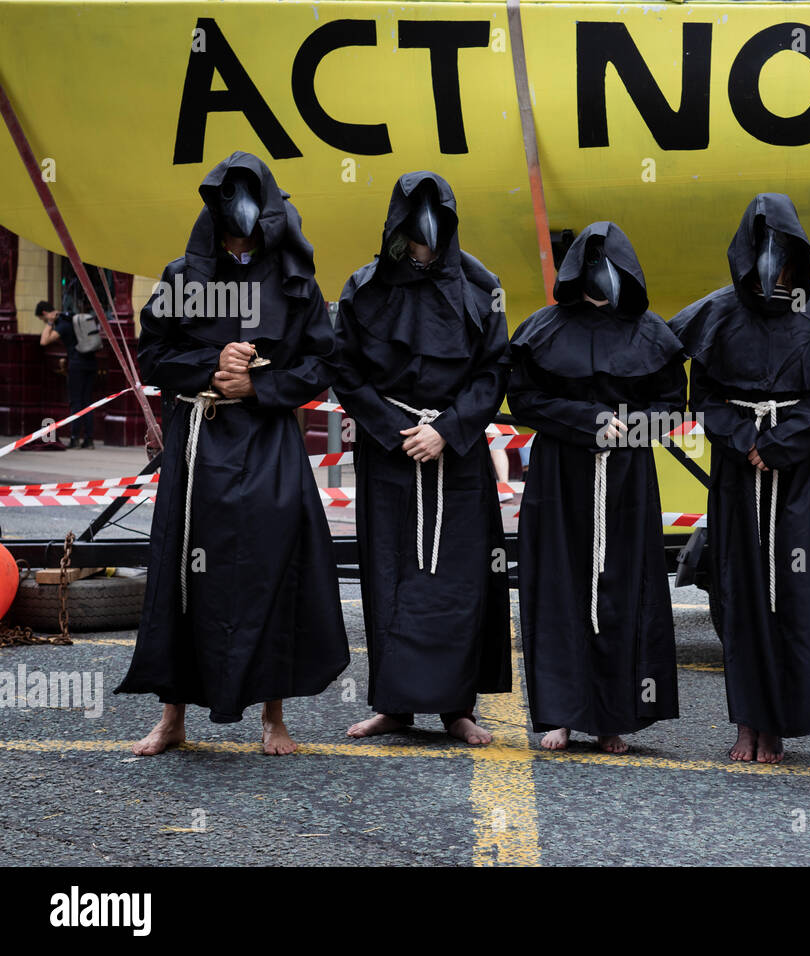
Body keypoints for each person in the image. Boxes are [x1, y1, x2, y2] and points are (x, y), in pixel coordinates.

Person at [115, 151, 349, 756]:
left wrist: (262, 386)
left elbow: (323, 362)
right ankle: (173, 717)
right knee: (182, 576)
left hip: (269, 442)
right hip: (199, 441)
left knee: (274, 569)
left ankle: (273, 716)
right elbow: (156, 357)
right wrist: (211, 370)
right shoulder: (182, 277)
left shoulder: (296, 278)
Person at [670, 193, 810, 764]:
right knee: (740, 596)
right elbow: (700, 393)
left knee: (796, 597)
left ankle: (781, 721)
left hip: (796, 474)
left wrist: (779, 442)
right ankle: (748, 721)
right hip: (738, 475)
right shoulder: (719, 313)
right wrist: (744, 438)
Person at [334, 172, 511, 745]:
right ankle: (393, 705)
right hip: (389, 454)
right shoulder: (363, 287)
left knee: (458, 581)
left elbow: (494, 373)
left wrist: (448, 431)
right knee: (390, 578)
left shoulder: (482, 287)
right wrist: (391, 429)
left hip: (455, 454)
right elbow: (344, 370)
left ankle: (458, 707)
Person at [507, 221, 684, 754]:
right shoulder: (544, 328)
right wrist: (587, 419)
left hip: (626, 475)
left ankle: (615, 716)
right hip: (561, 472)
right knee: (559, 588)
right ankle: (560, 715)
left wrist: (630, 426)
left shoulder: (650, 332)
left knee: (621, 589)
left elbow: (673, 406)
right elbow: (525, 401)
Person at [36, 301, 98, 448]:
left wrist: (50, 323)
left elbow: (44, 341)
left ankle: (74, 438)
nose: (44, 321)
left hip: (77, 365)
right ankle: (89, 440)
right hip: (91, 363)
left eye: (42, 319)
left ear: (45, 313)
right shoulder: (71, 317)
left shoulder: (62, 324)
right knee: (87, 402)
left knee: (76, 402)